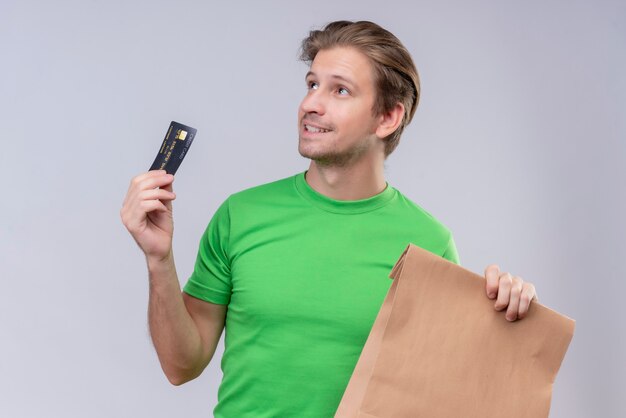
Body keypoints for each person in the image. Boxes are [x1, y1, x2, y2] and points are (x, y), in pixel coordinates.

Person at [121, 20, 538, 418]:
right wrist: (159, 260)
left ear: (387, 117)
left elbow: (442, 391)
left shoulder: (429, 242)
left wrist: (506, 321)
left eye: (340, 91)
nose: (311, 104)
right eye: (312, 85)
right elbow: (181, 366)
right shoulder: (240, 215)